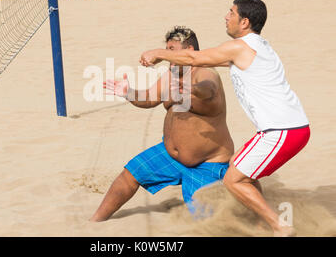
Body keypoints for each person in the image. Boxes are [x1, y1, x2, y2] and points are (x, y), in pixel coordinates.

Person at [139, 0, 310, 236]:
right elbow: (199, 61)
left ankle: (280, 226)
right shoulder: (256, 45)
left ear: (244, 22)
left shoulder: (240, 47)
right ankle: (263, 220)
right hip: (284, 129)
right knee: (238, 165)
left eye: (231, 13)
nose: (226, 17)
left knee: (233, 180)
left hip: (283, 131)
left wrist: (158, 53)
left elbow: (193, 58)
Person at [90, 26, 234, 222]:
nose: (167, 55)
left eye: (171, 50)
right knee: (130, 174)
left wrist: (193, 89)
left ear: (189, 51)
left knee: (207, 221)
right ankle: (95, 221)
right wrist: (128, 92)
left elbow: (209, 89)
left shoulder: (205, 72)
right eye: (166, 49)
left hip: (206, 163)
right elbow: (149, 98)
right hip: (170, 155)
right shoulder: (172, 74)